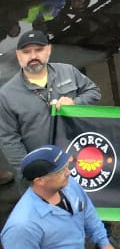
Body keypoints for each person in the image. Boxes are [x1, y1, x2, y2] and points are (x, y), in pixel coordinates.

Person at [0, 31, 100, 183]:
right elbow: (9, 139)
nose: (33, 56)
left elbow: (93, 92)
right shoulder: (6, 94)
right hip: (41, 172)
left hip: (76, 161)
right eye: (26, 52)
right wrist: (29, 173)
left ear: (49, 50)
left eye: (39, 50)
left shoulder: (68, 71)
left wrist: (75, 103)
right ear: (18, 55)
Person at [1, 144, 113, 249]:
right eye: (60, 171)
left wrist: (104, 243)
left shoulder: (69, 184)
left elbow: (88, 213)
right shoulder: (21, 227)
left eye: (66, 167)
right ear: (40, 181)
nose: (68, 172)